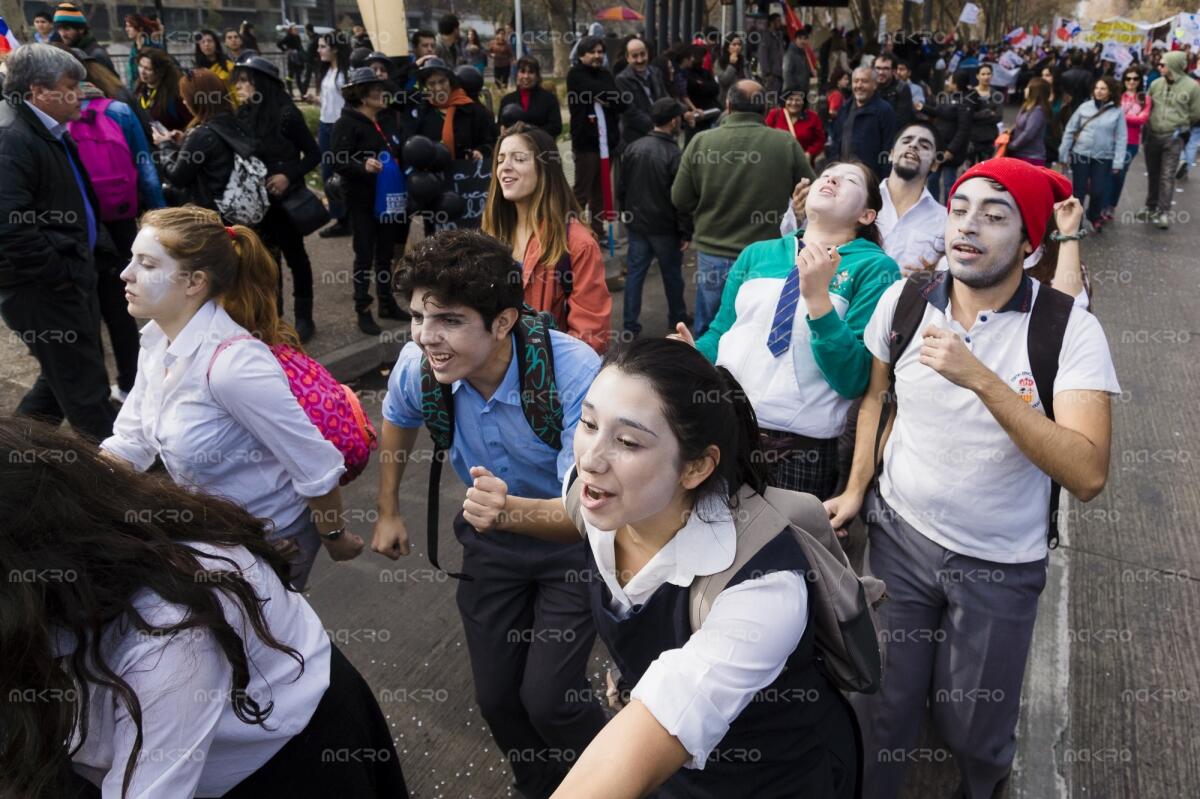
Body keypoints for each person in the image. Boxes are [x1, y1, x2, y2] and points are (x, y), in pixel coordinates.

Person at [827, 158, 1117, 799]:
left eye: (995, 215)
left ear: (1030, 241)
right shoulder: (904, 301)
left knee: (972, 726)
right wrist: (855, 488)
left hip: (999, 562)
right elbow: (876, 401)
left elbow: (1088, 471)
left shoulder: (1067, 329)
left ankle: (986, 784)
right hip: (898, 538)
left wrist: (981, 379)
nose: (969, 227)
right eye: (960, 210)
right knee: (882, 709)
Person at [468, 337, 860, 798]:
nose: (591, 458)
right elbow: (575, 513)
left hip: (770, 778)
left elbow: (667, 713)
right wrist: (509, 510)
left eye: (628, 441)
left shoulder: (763, 587)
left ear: (695, 468)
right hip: (672, 775)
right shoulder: (605, 497)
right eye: (588, 423)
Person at [0, 419, 408, 799]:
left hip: (284, 759)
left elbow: (313, 457)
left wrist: (335, 532)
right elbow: (135, 434)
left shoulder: (168, 636)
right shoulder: (158, 356)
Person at [371, 229, 608, 798]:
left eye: (449, 320)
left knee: (552, 700)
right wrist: (387, 509)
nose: (429, 338)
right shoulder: (418, 364)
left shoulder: (574, 372)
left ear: (502, 322)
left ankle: (615, 781)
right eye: (420, 319)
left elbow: (588, 512)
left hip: (570, 547)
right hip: (491, 542)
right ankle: (539, 785)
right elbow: (398, 417)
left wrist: (508, 513)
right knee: (498, 697)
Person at [102, 206, 365, 588]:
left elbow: (317, 467)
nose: (126, 273)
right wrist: (68, 490)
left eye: (146, 263)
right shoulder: (158, 342)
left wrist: (335, 539)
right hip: (214, 535)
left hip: (272, 541)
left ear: (194, 282)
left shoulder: (233, 366)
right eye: (131, 260)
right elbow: (132, 441)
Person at [687, 159, 899, 497]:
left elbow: (854, 378)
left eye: (849, 181)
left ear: (866, 215)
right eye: (827, 174)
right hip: (723, 430)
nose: (831, 178)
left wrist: (819, 304)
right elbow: (721, 332)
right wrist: (691, 354)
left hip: (800, 451)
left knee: (787, 548)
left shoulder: (875, 268)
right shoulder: (757, 253)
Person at [0, 44, 115, 441]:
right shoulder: (10, 137)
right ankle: (119, 479)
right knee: (85, 391)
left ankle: (15, 461)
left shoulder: (42, 129)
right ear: (39, 91)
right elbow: (10, 229)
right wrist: (61, 274)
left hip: (63, 281)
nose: (80, 94)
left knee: (61, 376)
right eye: (71, 86)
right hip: (43, 290)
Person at [672, 79, 815, 336]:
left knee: (711, 329)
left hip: (714, 253)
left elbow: (680, 199)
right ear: (765, 107)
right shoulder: (785, 143)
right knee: (758, 329)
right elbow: (810, 192)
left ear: (727, 105)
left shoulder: (701, 142)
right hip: (768, 255)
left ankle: (709, 374)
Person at [69, 53, 166, 405]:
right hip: (122, 222)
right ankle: (130, 383)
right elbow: (145, 167)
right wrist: (158, 214)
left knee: (87, 310)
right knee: (124, 305)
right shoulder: (119, 111)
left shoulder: (60, 118)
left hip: (82, 224)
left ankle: (97, 391)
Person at [482, 123, 612, 353]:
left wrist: (537, 372)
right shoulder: (488, 237)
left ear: (545, 169)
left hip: (547, 379)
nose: (505, 167)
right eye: (500, 160)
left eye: (519, 159)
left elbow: (589, 338)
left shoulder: (578, 244)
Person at [234, 56, 321, 340]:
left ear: (261, 84)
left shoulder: (287, 114)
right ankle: (274, 318)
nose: (240, 86)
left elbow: (313, 154)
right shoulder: (244, 114)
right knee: (267, 263)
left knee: (296, 258)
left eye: (246, 81)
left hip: (287, 202)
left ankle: (305, 318)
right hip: (258, 205)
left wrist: (287, 175)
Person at [331, 67, 412, 335]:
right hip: (362, 199)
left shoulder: (386, 120)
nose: (382, 93)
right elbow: (336, 159)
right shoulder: (347, 123)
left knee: (385, 253)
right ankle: (363, 308)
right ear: (362, 95)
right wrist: (361, 165)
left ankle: (387, 303)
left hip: (387, 200)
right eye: (376, 90)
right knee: (364, 253)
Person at [616, 99, 691, 337]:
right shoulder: (673, 153)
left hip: (638, 224)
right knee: (672, 276)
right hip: (665, 227)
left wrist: (627, 216)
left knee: (635, 275)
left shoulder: (633, 147)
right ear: (673, 121)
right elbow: (680, 198)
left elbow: (622, 187)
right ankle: (677, 318)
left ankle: (630, 324)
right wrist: (685, 230)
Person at [156, 68, 256, 217]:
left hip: (211, 215)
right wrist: (184, 141)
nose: (184, 102)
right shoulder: (235, 120)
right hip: (239, 207)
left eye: (185, 97)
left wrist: (164, 145)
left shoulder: (201, 135)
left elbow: (177, 177)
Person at [568, 36, 626, 238]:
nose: (597, 56)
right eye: (592, 52)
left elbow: (621, 103)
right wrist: (606, 95)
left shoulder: (605, 74)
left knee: (600, 192)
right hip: (586, 144)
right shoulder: (575, 74)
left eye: (600, 52)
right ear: (582, 54)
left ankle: (597, 232)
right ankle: (570, 234)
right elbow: (594, 90)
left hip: (607, 143)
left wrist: (605, 96)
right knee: (581, 192)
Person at [1140, 51, 1200, 230]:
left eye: (1163, 64)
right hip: (1152, 135)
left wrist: (1182, 124)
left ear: (1174, 65)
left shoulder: (1192, 87)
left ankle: (1163, 212)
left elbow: (1196, 112)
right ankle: (1150, 207)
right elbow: (1147, 106)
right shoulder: (1156, 83)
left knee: (1167, 175)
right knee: (1153, 173)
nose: (1160, 67)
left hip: (1173, 137)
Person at [1059, 76, 1126, 233]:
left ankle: (1094, 215)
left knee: (1098, 191)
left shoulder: (1117, 111)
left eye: (1103, 88)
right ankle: (1077, 221)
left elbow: (1122, 138)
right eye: (1097, 88)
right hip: (1080, 154)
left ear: (1110, 91)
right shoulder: (1084, 107)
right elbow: (1070, 130)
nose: (1099, 91)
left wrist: (1118, 162)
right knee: (1079, 191)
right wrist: (1063, 154)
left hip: (1103, 157)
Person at [404, 57, 498, 160]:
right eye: (432, 84)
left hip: (467, 172)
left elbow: (492, 142)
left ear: (451, 81)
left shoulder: (473, 110)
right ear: (425, 86)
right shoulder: (421, 112)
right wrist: (413, 66)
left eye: (442, 81)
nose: (438, 88)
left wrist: (481, 152)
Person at [314, 32, 352, 238]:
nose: (319, 50)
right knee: (328, 173)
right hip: (325, 125)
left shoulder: (346, 73)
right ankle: (340, 217)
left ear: (335, 48)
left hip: (340, 127)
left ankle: (346, 218)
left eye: (323, 46)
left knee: (342, 172)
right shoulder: (328, 71)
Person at [829, 66, 897, 178]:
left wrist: (884, 180)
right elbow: (836, 141)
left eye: (864, 81)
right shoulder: (845, 108)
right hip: (841, 175)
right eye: (856, 81)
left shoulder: (884, 111)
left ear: (875, 85)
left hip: (869, 179)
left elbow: (888, 148)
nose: (859, 86)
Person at [917, 69, 971, 202]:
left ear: (956, 83)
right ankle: (932, 206)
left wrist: (951, 150)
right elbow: (939, 112)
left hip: (951, 152)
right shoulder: (949, 97)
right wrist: (922, 108)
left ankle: (950, 210)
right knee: (932, 179)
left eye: (950, 80)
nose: (948, 83)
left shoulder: (965, 101)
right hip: (939, 147)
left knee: (949, 183)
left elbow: (963, 130)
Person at [1107, 67, 1150, 218]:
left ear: (1139, 81)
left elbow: (1142, 119)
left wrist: (1120, 117)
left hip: (1131, 142)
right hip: (1111, 140)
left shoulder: (1144, 98)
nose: (1131, 81)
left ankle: (1111, 205)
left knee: (1119, 173)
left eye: (1135, 78)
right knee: (1106, 172)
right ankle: (1103, 204)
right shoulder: (1117, 96)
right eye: (1128, 78)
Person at [615, 37, 670, 152]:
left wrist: (682, 113)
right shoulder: (622, 79)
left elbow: (665, 99)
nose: (640, 60)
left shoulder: (656, 72)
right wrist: (657, 126)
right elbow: (630, 112)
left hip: (659, 134)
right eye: (635, 56)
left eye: (642, 54)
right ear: (627, 58)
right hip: (635, 138)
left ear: (647, 54)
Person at [499, 56, 563, 137]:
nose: (526, 76)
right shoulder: (507, 100)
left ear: (537, 76)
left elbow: (556, 127)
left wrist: (529, 132)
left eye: (531, 72)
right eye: (522, 71)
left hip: (542, 146)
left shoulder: (549, 99)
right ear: (517, 74)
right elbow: (500, 125)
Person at [134, 47, 192, 131]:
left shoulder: (175, 95)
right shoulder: (138, 89)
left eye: (148, 69)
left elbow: (191, 122)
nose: (142, 71)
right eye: (140, 66)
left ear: (160, 71)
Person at [52, 2, 114, 73]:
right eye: (59, 29)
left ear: (81, 29)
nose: (63, 34)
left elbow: (110, 83)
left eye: (67, 29)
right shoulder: (68, 51)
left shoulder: (96, 55)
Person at [766, 88, 825, 161]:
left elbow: (820, 140)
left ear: (803, 102)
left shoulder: (812, 117)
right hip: (778, 160)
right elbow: (766, 135)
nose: (793, 103)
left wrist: (810, 153)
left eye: (798, 100)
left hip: (802, 161)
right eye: (790, 99)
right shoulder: (774, 115)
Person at [1008, 76, 1052, 166]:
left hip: (1031, 157)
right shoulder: (1027, 106)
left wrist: (1013, 146)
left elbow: (1028, 133)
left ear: (1035, 91)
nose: (1025, 89)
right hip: (1020, 154)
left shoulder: (1038, 111)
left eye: (1028, 87)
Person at [965, 64, 1002, 164]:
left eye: (989, 74)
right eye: (983, 74)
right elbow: (968, 116)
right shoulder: (970, 94)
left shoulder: (996, 95)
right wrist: (988, 113)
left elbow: (998, 117)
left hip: (989, 139)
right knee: (970, 169)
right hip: (972, 139)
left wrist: (977, 115)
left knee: (985, 170)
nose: (986, 77)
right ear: (977, 76)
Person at [873, 53, 914, 130]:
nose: (881, 72)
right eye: (878, 68)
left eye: (886, 68)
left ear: (894, 71)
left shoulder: (901, 88)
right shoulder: (869, 87)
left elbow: (901, 121)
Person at [122, 13, 158, 87]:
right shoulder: (134, 48)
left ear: (140, 28)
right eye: (126, 26)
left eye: (130, 26)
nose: (126, 29)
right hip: (136, 90)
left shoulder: (153, 46)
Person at [716, 33, 750, 108]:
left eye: (739, 44)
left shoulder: (744, 61)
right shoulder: (721, 62)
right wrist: (732, 65)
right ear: (728, 47)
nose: (737, 47)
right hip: (727, 100)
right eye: (734, 44)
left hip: (743, 99)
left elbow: (748, 78)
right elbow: (724, 80)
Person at [757, 13, 786, 99]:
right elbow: (763, 55)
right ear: (772, 23)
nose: (780, 23)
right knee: (771, 99)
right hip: (772, 75)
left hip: (780, 73)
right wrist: (767, 73)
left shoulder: (779, 36)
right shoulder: (766, 37)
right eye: (778, 21)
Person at [782, 25, 815, 99]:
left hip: (803, 91)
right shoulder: (790, 54)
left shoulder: (803, 54)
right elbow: (787, 73)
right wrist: (792, 91)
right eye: (800, 38)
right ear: (795, 39)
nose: (803, 41)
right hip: (793, 92)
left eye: (805, 39)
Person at [278, 24, 305, 99]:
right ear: (291, 30)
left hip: (298, 58)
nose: (296, 31)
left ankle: (302, 93)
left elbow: (300, 46)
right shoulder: (288, 37)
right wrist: (286, 50)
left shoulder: (298, 37)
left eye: (297, 29)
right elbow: (279, 43)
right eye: (294, 29)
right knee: (290, 75)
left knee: (298, 76)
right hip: (291, 58)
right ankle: (290, 91)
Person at [490, 25, 515, 90]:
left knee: (504, 82)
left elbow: (511, 54)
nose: (502, 35)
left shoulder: (507, 44)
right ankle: (498, 94)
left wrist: (513, 60)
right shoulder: (493, 43)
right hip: (497, 65)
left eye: (503, 34)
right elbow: (489, 52)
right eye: (500, 34)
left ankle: (504, 93)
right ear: (497, 35)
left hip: (506, 65)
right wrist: (491, 54)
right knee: (497, 81)